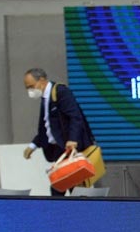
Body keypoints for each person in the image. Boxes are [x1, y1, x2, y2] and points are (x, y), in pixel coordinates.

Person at [22, 67, 95, 196]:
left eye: (31, 86)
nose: (30, 91)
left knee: (68, 187)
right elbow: (46, 127)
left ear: (42, 80)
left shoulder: (60, 92)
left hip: (68, 148)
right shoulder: (46, 98)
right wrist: (33, 145)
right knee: (60, 186)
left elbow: (75, 117)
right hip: (57, 150)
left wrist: (73, 139)